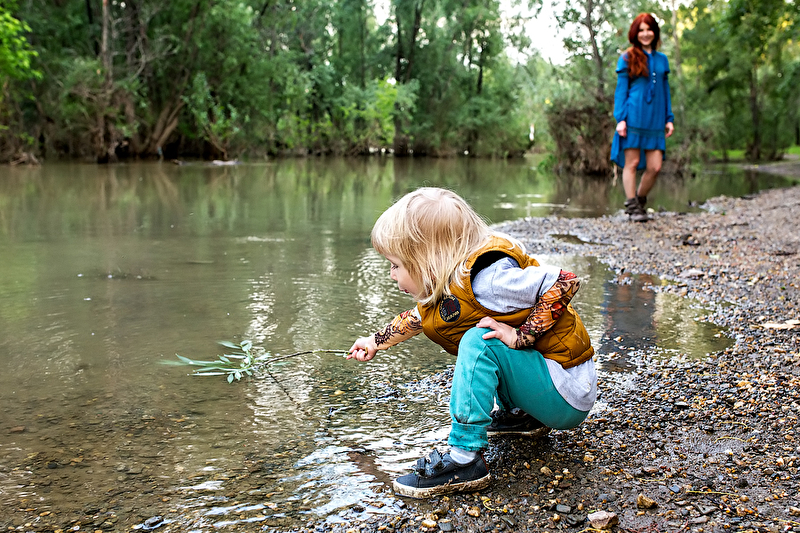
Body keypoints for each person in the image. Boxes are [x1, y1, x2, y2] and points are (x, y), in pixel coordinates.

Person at [347, 187, 597, 498]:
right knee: (486, 337)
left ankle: (464, 459)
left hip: (567, 391)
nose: (391, 274)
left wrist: (522, 336)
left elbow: (564, 281)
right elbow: (418, 318)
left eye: (396, 265)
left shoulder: (488, 280)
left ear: (427, 259)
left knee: (479, 341)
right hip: (549, 387)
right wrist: (374, 341)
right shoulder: (453, 281)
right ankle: (522, 416)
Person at [610, 13, 675, 222]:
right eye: (641, 30)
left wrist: (669, 118)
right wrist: (620, 119)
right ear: (635, 34)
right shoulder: (627, 57)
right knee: (632, 162)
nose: (645, 34)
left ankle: (639, 200)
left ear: (655, 32)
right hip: (634, 115)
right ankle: (633, 206)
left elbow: (665, 91)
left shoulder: (662, 59)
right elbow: (621, 91)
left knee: (655, 166)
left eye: (649, 30)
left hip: (656, 117)